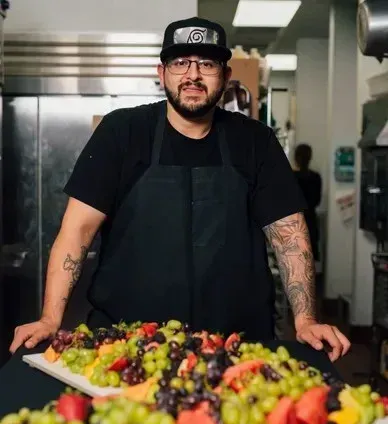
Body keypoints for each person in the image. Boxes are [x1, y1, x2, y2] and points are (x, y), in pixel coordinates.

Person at [9, 17, 350, 361]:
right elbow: (76, 230)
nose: (193, 75)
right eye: (180, 62)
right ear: (162, 73)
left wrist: (306, 320)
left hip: (236, 346)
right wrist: (50, 318)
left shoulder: (255, 141)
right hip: (127, 345)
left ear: (225, 76)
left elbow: (290, 234)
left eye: (207, 64)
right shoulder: (122, 132)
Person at [293, 144, 322, 261]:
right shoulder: (316, 177)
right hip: (310, 221)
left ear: (296, 158)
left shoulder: (290, 177)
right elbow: (317, 201)